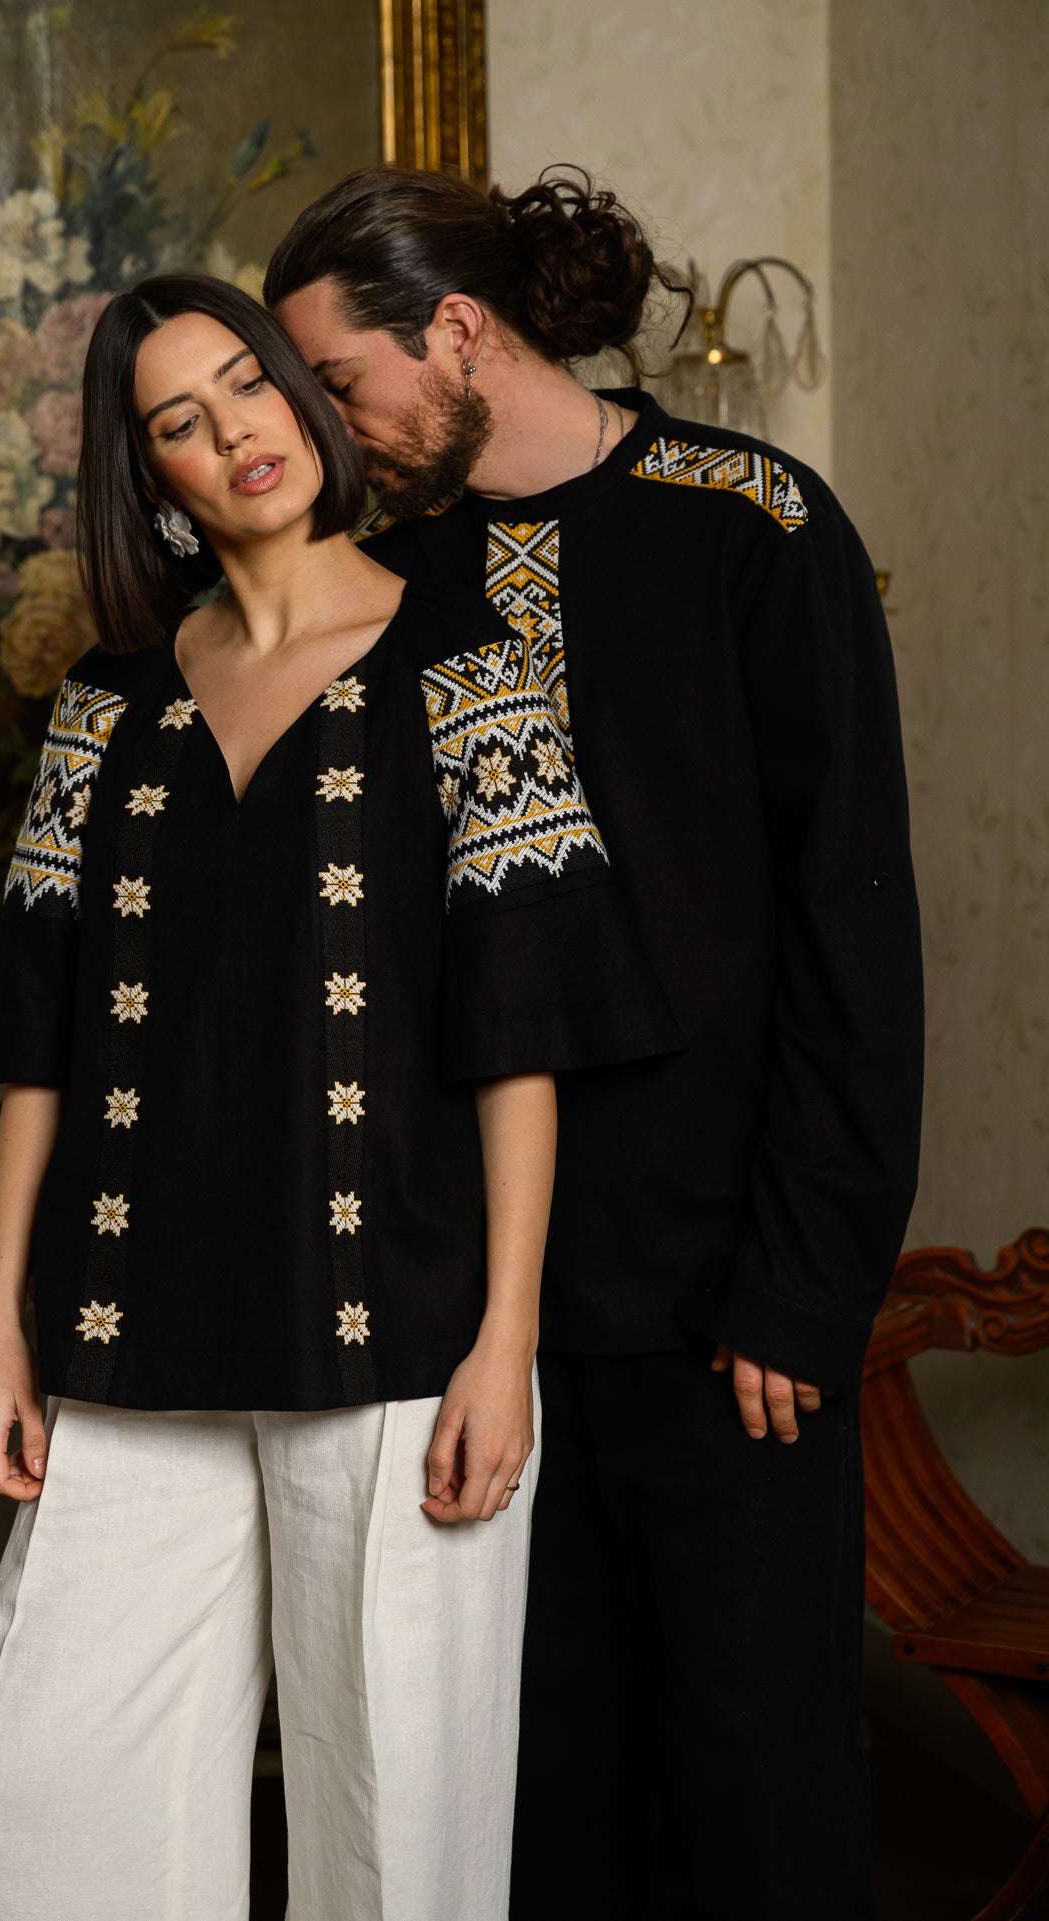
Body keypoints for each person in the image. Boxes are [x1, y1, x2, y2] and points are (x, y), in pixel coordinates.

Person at [0, 273, 665, 1921]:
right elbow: (42, 1037)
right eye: (178, 422)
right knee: (34, 1804)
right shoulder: (102, 708)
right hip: (126, 1326)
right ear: (151, 477)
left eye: (249, 385)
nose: (234, 434)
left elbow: (523, 1035)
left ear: (302, 395)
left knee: (397, 1834)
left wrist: (506, 1339)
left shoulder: (473, 668)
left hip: (398, 1327)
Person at [267, 167, 925, 1919]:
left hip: (729, 1305)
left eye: (340, 380)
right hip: (470, 1314)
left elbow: (854, 931)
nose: (327, 425)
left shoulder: (754, 522)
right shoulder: (378, 577)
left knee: (752, 1794)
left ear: (456, 329)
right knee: (524, 1798)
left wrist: (805, 1283)